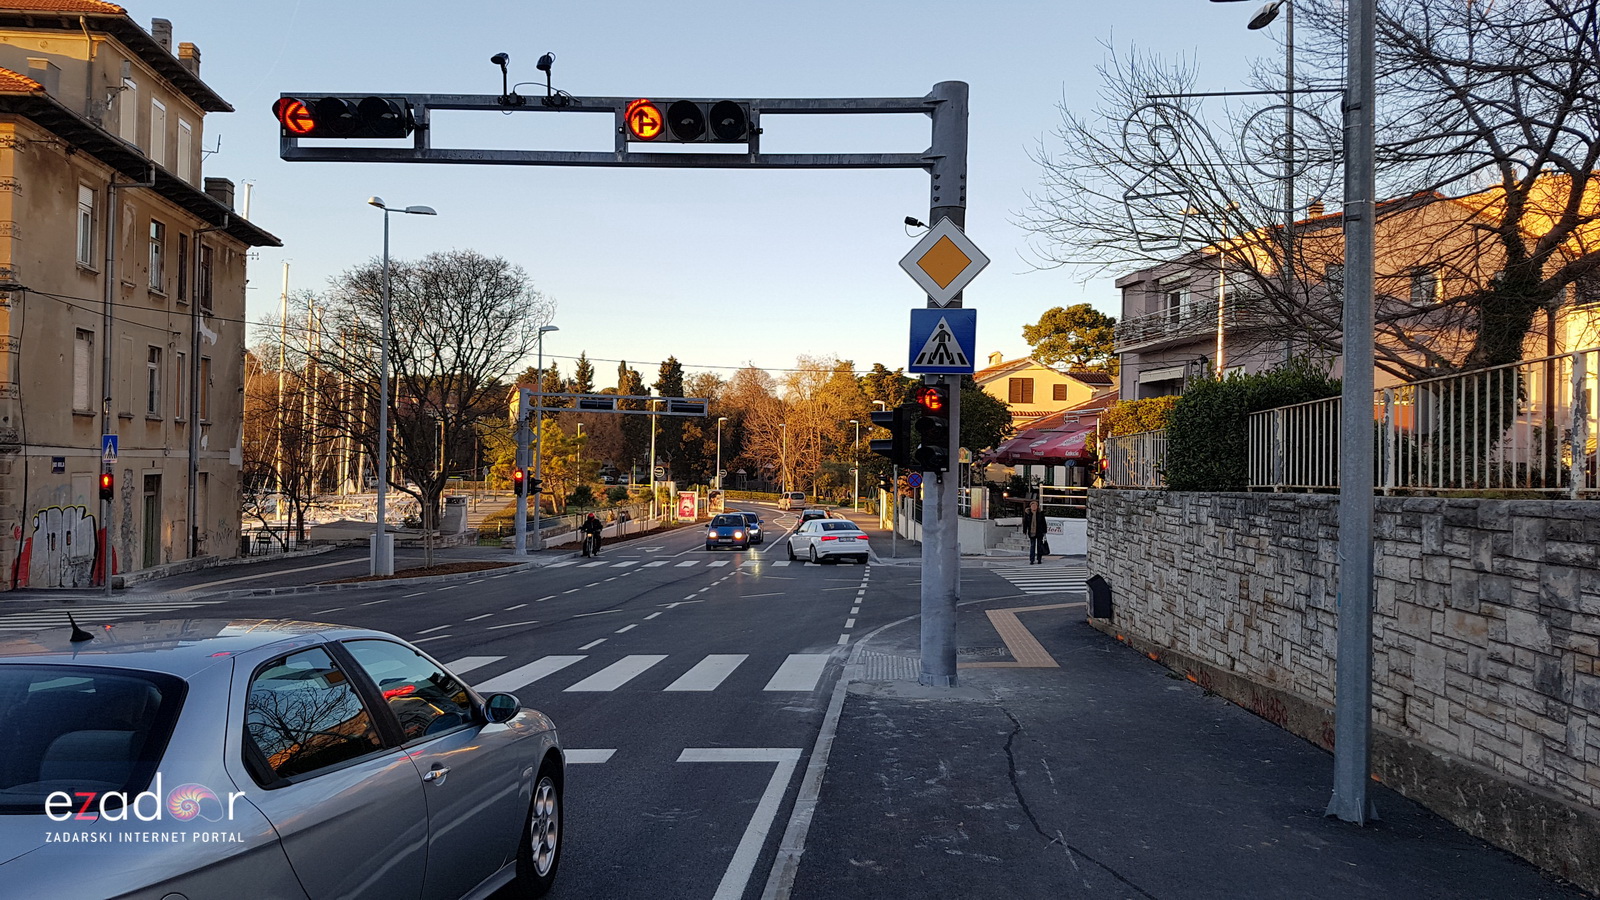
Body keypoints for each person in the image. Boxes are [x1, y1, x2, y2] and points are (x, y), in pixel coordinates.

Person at [1021, 499, 1049, 565]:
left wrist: (1044, 531)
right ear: (1030, 507)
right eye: (1032, 506)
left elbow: (1043, 523)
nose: (1034, 507)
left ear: (1037, 507)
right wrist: (1024, 530)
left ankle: (1039, 559)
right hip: (1031, 532)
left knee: (1039, 546)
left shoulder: (1040, 514)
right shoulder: (1028, 514)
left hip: (1039, 532)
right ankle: (1032, 560)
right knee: (1032, 546)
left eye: (1035, 506)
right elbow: (1025, 523)